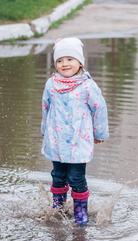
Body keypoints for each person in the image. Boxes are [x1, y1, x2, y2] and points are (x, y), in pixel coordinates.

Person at [41, 37, 109, 226]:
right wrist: (43, 130)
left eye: (70, 59)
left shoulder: (87, 85)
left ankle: (80, 212)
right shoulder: (51, 84)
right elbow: (45, 108)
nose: (65, 64)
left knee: (76, 178)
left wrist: (99, 133)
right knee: (58, 176)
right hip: (56, 141)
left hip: (79, 142)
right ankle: (58, 208)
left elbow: (99, 109)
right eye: (60, 60)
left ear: (80, 62)